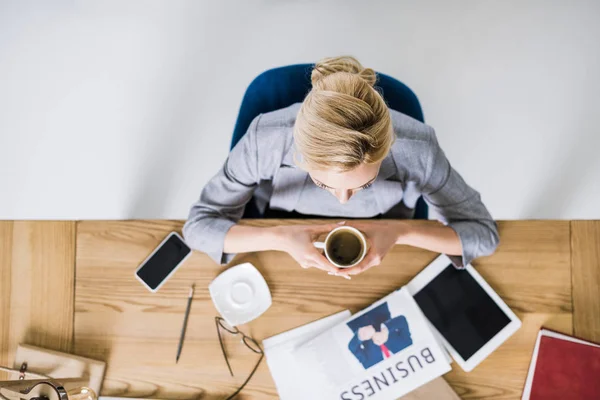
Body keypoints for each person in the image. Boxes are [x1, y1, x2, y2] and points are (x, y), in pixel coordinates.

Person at [183, 56, 499, 277]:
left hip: (384, 236)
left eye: (362, 186)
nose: (343, 201)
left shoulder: (418, 149)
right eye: (324, 184)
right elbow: (198, 228)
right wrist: (281, 237)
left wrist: (398, 231)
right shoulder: (265, 139)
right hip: (281, 234)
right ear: (300, 154)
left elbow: (483, 234)